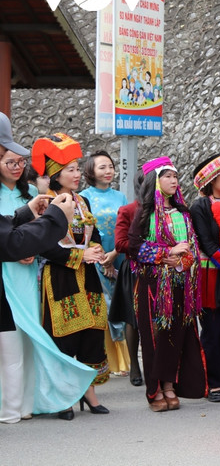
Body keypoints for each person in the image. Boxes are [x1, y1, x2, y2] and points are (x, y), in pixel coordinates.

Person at [0, 118, 95, 424]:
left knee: (28, 343)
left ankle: (25, 403)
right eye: (10, 160)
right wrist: (52, 220)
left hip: (26, 276)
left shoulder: (35, 195)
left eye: (20, 161)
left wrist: (30, 215)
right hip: (26, 277)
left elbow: (13, 232)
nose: (17, 166)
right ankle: (12, 407)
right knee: (14, 344)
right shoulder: (56, 202)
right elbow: (13, 241)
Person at [31, 133, 110, 420]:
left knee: (90, 334)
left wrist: (98, 249)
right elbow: (43, 245)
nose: (77, 174)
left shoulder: (82, 202)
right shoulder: (45, 204)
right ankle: (63, 395)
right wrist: (79, 256)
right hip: (60, 277)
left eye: (78, 168)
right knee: (63, 337)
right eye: (71, 170)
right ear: (55, 175)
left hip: (87, 276)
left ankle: (88, 392)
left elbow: (94, 234)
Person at [128, 156, 207, 412]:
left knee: (177, 335)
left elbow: (193, 246)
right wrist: (166, 256)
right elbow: (133, 246)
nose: (174, 181)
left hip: (181, 282)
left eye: (175, 176)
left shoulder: (183, 212)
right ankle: (156, 389)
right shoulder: (145, 211)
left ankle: (171, 385)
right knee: (155, 337)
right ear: (155, 181)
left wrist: (183, 261)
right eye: (167, 176)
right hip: (154, 284)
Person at [190, 152, 220, 403]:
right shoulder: (200, 206)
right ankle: (215, 383)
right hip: (212, 275)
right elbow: (206, 242)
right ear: (211, 180)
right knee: (213, 330)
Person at [80, 151, 131, 377]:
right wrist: (103, 258)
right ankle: (105, 360)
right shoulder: (83, 198)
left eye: (110, 166)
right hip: (96, 259)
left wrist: (114, 254)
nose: (108, 171)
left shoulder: (120, 197)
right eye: (102, 167)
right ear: (90, 171)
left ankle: (124, 360)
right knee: (103, 305)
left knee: (122, 302)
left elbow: (126, 229)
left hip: (118, 255)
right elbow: (86, 233)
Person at [112, 170, 145, 387]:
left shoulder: (171, 210)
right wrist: (150, 249)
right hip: (134, 268)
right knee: (133, 318)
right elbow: (120, 244)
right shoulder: (129, 210)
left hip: (162, 269)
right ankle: (134, 363)